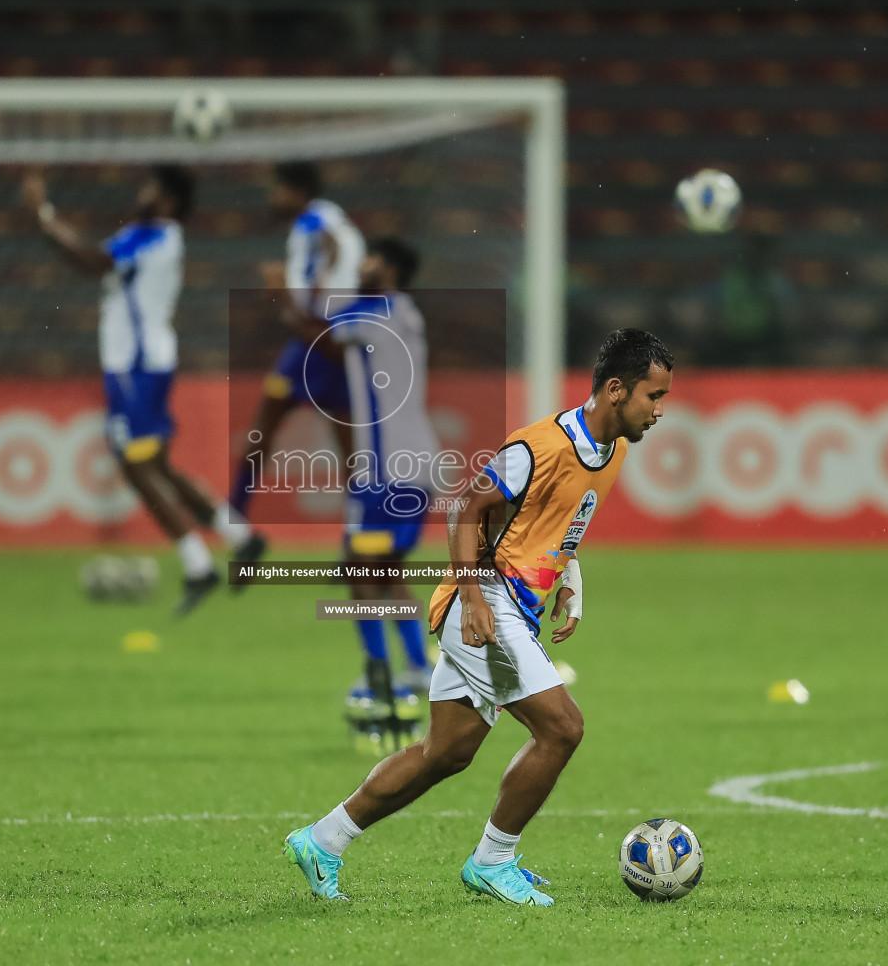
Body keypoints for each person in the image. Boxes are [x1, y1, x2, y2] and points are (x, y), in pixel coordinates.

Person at [285, 328, 675, 905]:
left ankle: (322, 840)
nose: (660, 411)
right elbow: (468, 508)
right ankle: (492, 861)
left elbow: (557, 520)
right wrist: (470, 595)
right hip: (486, 603)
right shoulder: (539, 447)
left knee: (444, 754)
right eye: (654, 396)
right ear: (617, 390)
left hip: (514, 603)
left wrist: (569, 578)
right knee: (563, 728)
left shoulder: (611, 449)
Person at [22, 164, 258, 616]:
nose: (142, 192)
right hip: (139, 363)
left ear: (167, 200)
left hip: (136, 365)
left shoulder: (153, 235)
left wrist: (43, 217)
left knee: (134, 466)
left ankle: (197, 565)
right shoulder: (146, 235)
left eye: (151, 187)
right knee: (158, 466)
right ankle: (240, 537)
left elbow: (94, 262)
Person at [285, 238, 440, 751]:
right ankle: (418, 668)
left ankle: (382, 671)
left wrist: (288, 294)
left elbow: (319, 336)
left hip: (390, 467)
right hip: (403, 463)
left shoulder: (382, 310)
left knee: (358, 569)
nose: (362, 265)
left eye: (370, 258)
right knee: (384, 571)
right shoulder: (399, 312)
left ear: (390, 268)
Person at [226, 162, 365, 570]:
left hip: (321, 338)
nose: (272, 198)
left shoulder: (315, 220)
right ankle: (352, 544)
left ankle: (235, 522)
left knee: (267, 432)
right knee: (342, 450)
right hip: (317, 339)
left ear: (297, 191)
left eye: (278, 190)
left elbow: (331, 250)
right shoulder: (326, 220)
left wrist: (299, 291)